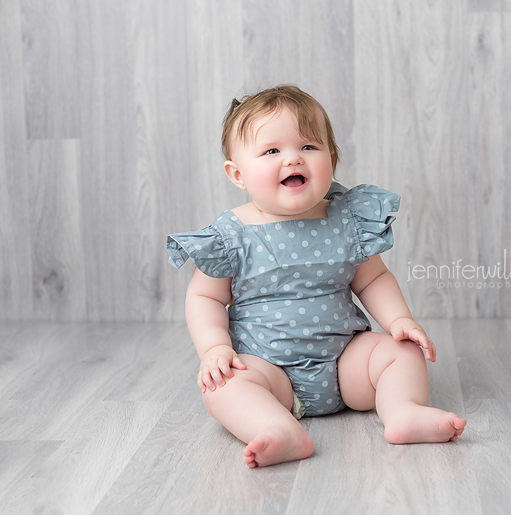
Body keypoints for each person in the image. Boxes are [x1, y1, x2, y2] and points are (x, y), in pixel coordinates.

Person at [167, 85, 466, 468]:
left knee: (400, 351)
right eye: (272, 151)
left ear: (332, 158)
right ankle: (277, 428)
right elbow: (205, 298)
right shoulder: (231, 235)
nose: (293, 158)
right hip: (269, 371)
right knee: (223, 386)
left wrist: (400, 321)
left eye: (308, 147)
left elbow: (373, 280)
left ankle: (403, 410)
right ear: (237, 174)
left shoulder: (346, 220)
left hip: (346, 364)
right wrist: (214, 350)